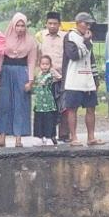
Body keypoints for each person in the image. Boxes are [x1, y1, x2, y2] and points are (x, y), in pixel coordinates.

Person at [0, 12, 38, 148]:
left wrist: (30, 80)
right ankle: (2, 137)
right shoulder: (4, 38)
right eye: (17, 25)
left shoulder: (31, 41)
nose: (20, 28)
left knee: (21, 104)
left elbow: (31, 62)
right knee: (4, 104)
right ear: (13, 25)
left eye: (22, 25)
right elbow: (0, 58)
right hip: (6, 72)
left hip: (22, 72)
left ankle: (19, 138)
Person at [63, 12, 102, 146]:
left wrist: (96, 78)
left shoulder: (88, 39)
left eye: (89, 24)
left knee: (91, 108)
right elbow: (74, 55)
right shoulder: (70, 36)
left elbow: (91, 60)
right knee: (72, 109)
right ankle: (74, 137)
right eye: (86, 23)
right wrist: (86, 43)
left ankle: (91, 137)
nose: (88, 26)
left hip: (87, 78)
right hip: (73, 79)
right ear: (78, 23)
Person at [35, 11, 68, 140]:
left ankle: (64, 135)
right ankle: (50, 135)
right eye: (50, 23)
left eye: (55, 24)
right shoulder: (41, 36)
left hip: (62, 77)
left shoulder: (65, 37)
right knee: (49, 109)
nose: (52, 26)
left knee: (64, 107)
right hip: (46, 79)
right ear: (46, 24)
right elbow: (38, 55)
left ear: (59, 24)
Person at [33, 55, 60, 145]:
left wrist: (53, 71)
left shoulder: (50, 75)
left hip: (48, 102)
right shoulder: (39, 75)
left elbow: (59, 77)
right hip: (39, 103)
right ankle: (39, 137)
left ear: (50, 65)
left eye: (47, 64)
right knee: (39, 120)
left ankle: (49, 136)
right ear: (39, 65)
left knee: (49, 120)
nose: (45, 66)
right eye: (43, 64)